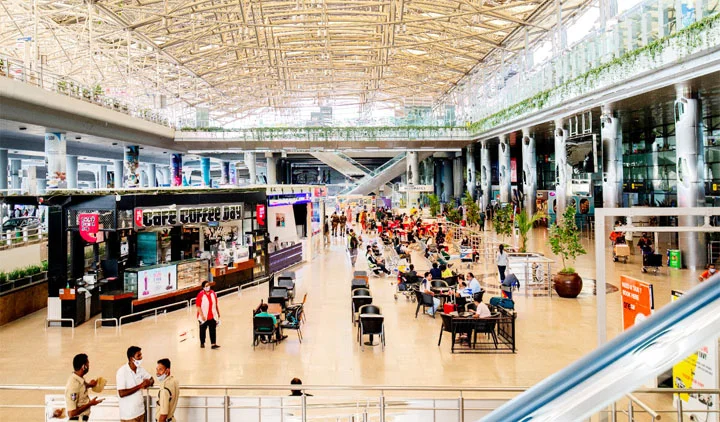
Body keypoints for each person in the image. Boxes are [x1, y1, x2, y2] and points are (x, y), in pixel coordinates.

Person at [117, 346, 154, 422]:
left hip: (141, 412)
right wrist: (140, 386)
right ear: (132, 359)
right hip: (129, 416)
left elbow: (152, 379)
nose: (141, 357)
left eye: (141, 355)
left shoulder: (141, 369)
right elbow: (121, 393)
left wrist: (148, 383)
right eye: (138, 356)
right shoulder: (122, 372)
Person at [65, 353, 104, 421]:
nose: (89, 366)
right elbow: (71, 413)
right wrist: (90, 404)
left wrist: (89, 385)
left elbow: (81, 387)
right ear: (84, 367)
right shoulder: (73, 385)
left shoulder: (78, 379)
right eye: (88, 364)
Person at [196, 281, 221, 349]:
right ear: (203, 287)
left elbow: (215, 304)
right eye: (206, 286)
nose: (208, 287)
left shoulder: (213, 293)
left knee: (212, 330)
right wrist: (202, 315)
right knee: (202, 330)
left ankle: (213, 344)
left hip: (212, 315)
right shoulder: (200, 295)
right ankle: (202, 342)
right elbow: (198, 306)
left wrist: (218, 313)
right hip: (203, 316)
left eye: (209, 285)